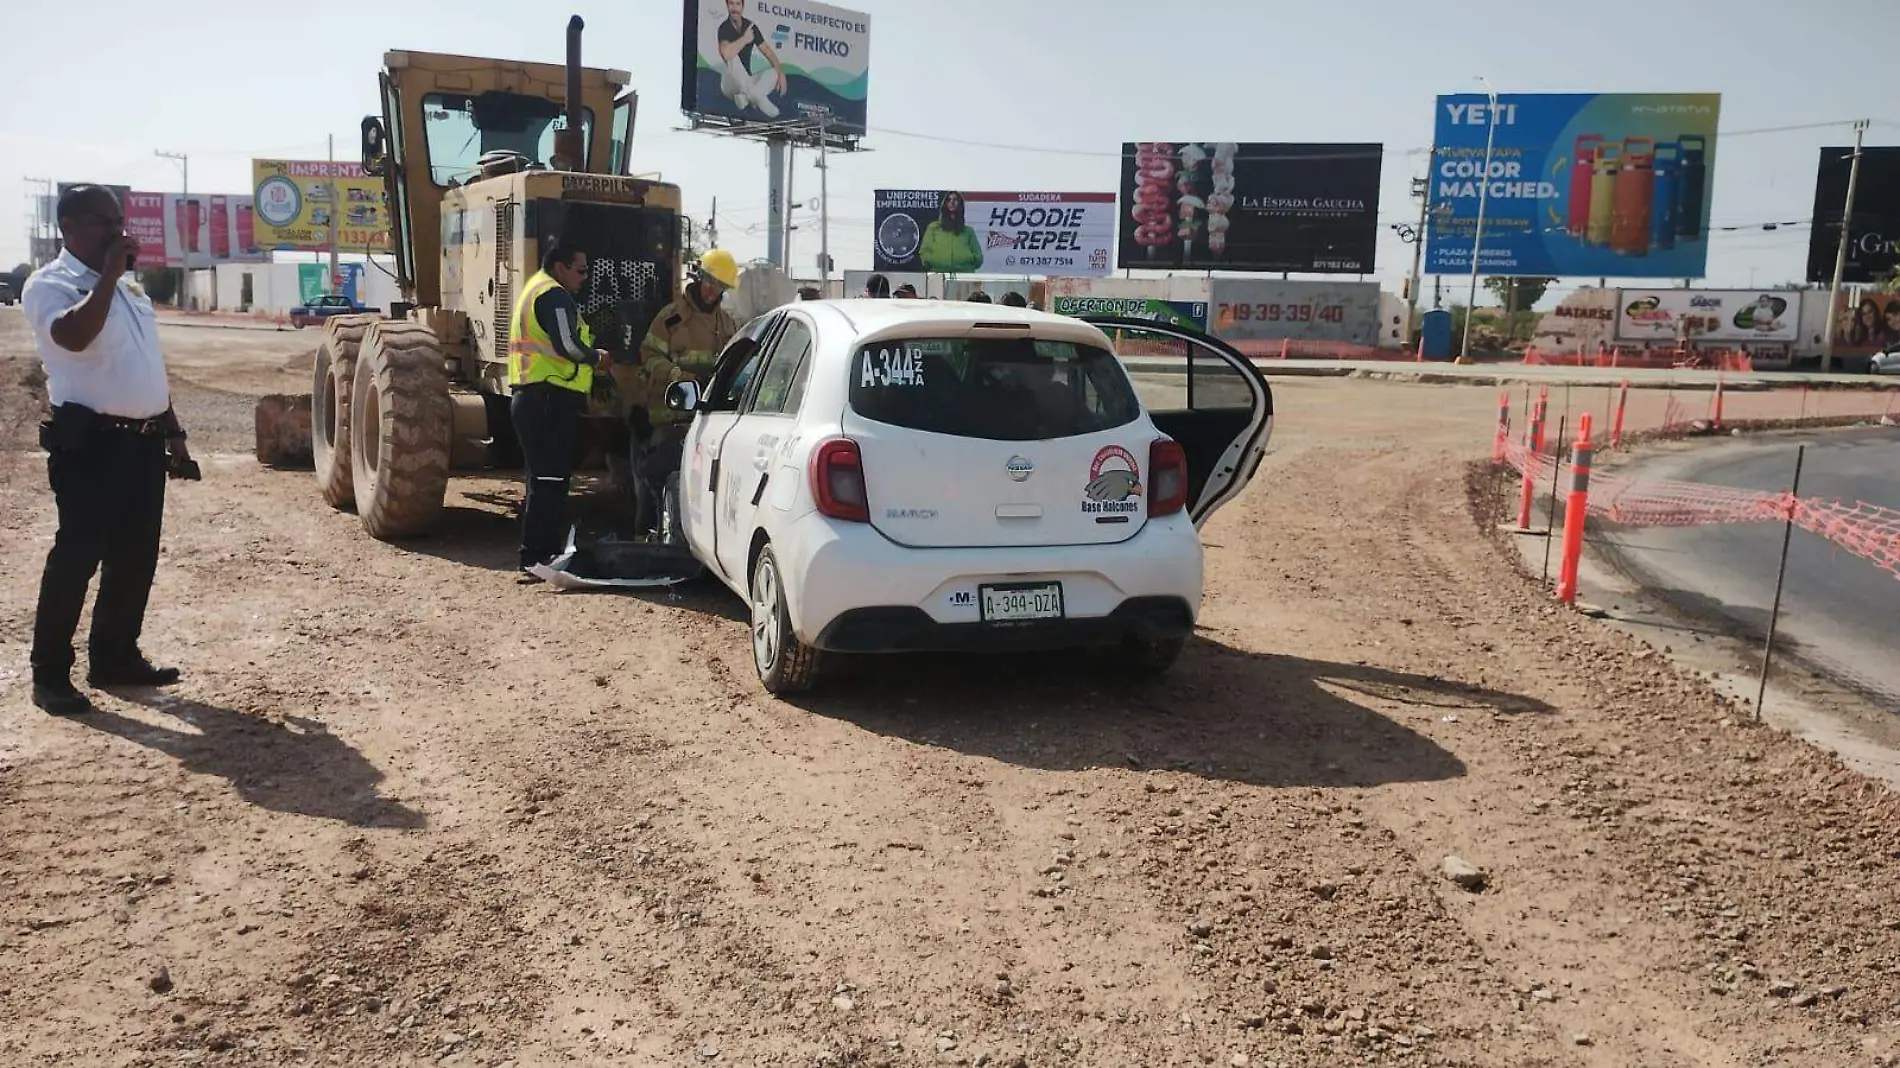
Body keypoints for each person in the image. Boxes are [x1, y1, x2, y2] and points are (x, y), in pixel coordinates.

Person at [24, 185, 192, 715]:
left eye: (119, 221)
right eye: (104, 222)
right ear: (68, 227)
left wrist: (174, 431)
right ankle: (49, 674)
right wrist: (110, 278)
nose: (117, 232)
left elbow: (146, 366)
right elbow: (73, 338)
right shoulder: (49, 284)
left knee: (134, 558)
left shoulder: (128, 290)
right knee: (76, 559)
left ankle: (115, 657)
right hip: (90, 445)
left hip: (142, 445)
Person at [508, 240, 610, 579]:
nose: (585, 276)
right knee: (549, 481)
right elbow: (566, 345)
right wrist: (596, 357)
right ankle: (535, 558)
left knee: (542, 480)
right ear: (560, 267)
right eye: (580, 269)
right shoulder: (552, 294)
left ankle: (537, 555)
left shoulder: (534, 289)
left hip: (536, 398)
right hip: (546, 400)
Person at [635, 248, 740, 510]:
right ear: (698, 277)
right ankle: (646, 539)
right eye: (709, 282)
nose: (711, 291)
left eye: (719, 286)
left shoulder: (727, 324)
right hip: (670, 418)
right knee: (657, 483)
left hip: (708, 420)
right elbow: (649, 356)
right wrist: (676, 375)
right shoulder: (671, 319)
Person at [715, 0, 786, 119]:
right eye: (731, 4)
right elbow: (726, 54)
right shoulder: (724, 27)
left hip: (747, 81)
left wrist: (780, 73)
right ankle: (757, 97)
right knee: (733, 57)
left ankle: (748, 96)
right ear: (727, 6)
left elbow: (767, 51)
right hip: (730, 84)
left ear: (743, 6)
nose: (734, 8)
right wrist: (744, 39)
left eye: (738, 4)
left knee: (774, 72)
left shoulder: (750, 26)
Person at [919, 191, 984, 274]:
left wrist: (966, 259)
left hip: (964, 275)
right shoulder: (934, 228)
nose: (952, 202)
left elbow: (978, 258)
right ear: (945, 204)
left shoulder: (968, 231)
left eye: (955, 200)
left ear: (960, 204)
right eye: (949, 200)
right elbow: (924, 253)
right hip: (938, 274)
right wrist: (939, 262)